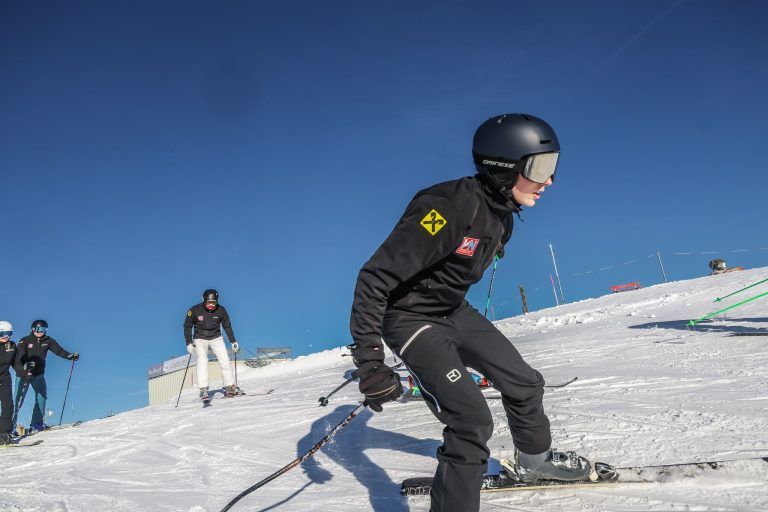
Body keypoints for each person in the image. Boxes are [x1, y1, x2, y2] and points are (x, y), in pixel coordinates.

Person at [349, 114, 599, 512]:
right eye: (540, 168)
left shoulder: (502, 215)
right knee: (471, 421)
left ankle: (534, 462)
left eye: (553, 166)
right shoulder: (445, 208)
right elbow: (375, 277)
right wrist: (369, 362)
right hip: (411, 320)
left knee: (524, 382)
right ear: (504, 167)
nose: (549, 180)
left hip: (452, 311)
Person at [15, 319, 79, 433]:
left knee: (41, 398)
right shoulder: (25, 340)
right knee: (17, 401)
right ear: (33, 329)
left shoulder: (48, 340)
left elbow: (59, 350)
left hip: (38, 374)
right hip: (24, 374)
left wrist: (69, 356)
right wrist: (25, 365)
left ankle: (37, 424)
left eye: (43, 329)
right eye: (38, 329)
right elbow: (19, 355)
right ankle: (8, 427)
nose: (41, 332)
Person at [183, 289, 243, 400]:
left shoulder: (221, 310)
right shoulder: (194, 310)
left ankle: (229, 386)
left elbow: (227, 326)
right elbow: (187, 326)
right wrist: (189, 343)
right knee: (202, 360)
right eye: (209, 302)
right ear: (204, 300)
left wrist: (233, 341)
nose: (211, 305)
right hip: (200, 338)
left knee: (225, 360)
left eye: (214, 302)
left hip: (216, 337)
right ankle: (203, 388)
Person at [0, 321, 22, 444]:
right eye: (3, 333)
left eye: (9, 334)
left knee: (8, 406)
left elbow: (16, 363)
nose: (6, 337)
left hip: (4, 380)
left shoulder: (11, 346)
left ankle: (4, 433)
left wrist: (25, 372)